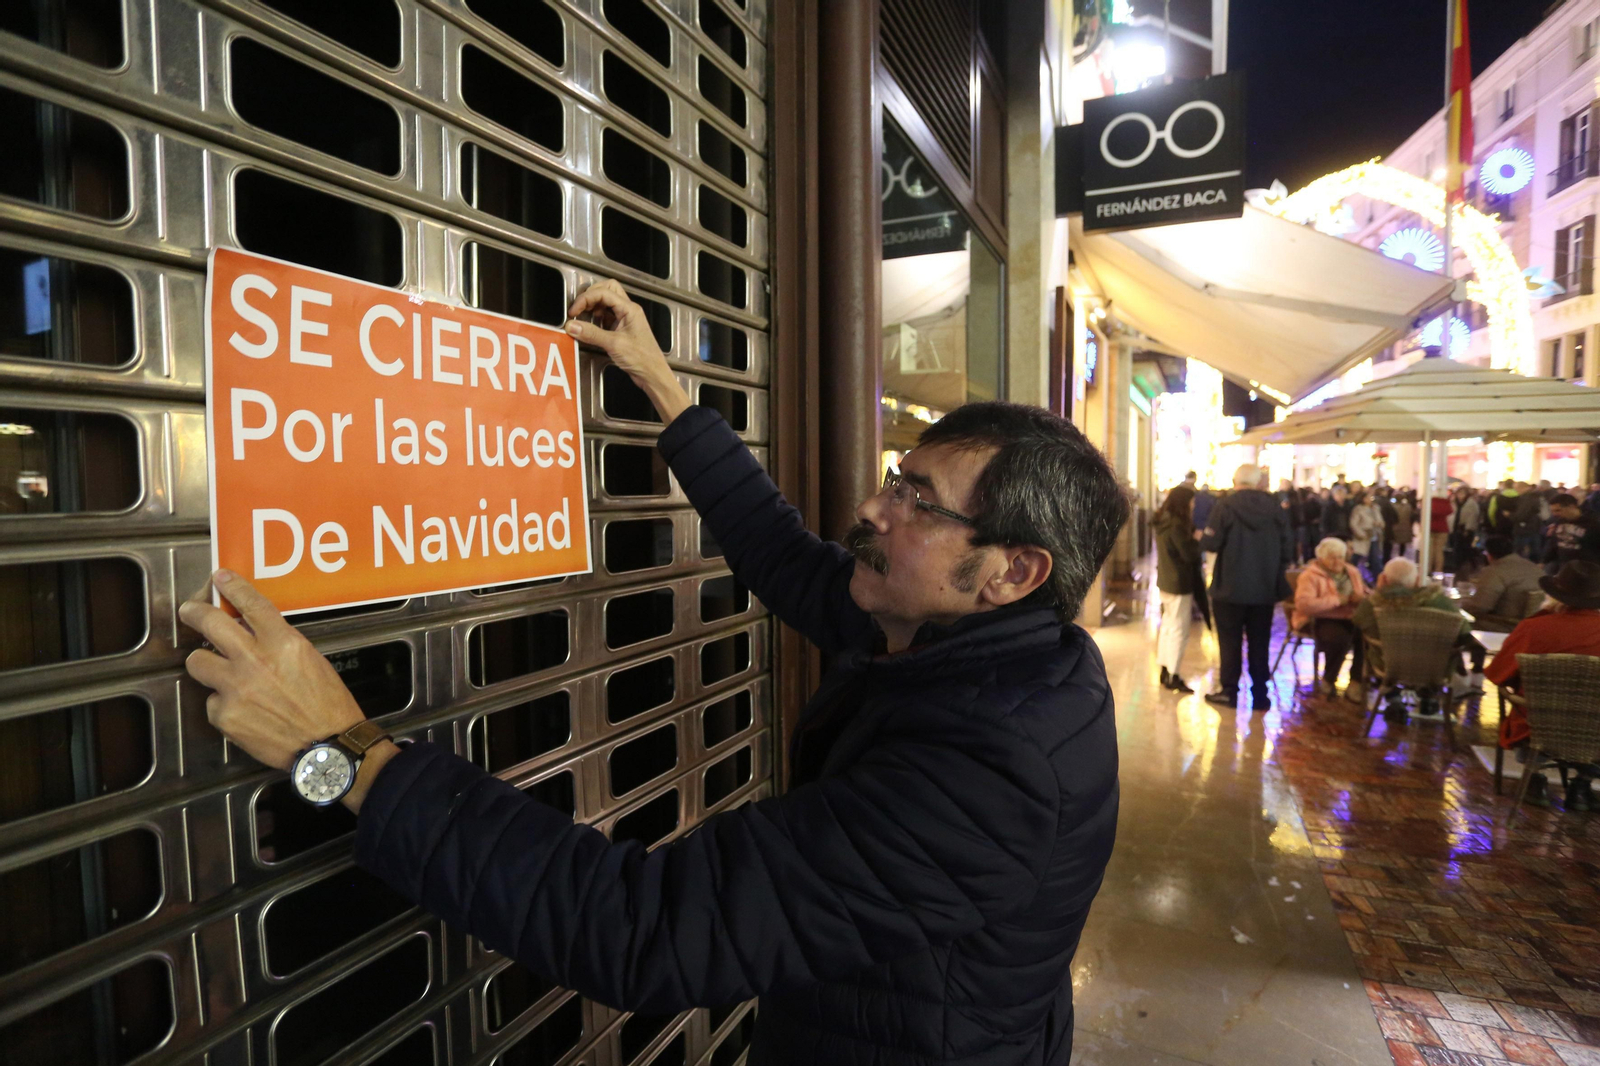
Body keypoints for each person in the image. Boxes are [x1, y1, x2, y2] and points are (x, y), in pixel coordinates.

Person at [178, 278, 1131, 1066]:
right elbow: (792, 560)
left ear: (1012, 571)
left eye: (917, 499)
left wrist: (338, 752)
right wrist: (665, 393)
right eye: (896, 475)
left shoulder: (990, 773)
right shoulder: (980, 640)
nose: (876, 508)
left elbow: (645, 929)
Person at [1484, 560, 1600, 810]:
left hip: (1537, 729)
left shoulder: (1533, 629)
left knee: (1525, 712)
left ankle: (1535, 778)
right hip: (1597, 734)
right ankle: (1582, 785)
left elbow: (1497, 674)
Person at [1200, 464, 1293, 712]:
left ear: (1234, 480)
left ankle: (1229, 692)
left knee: (1229, 641)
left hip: (1229, 588)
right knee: (1259, 641)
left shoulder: (1226, 506)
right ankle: (1260, 694)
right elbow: (1287, 548)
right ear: (1259, 482)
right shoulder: (1275, 507)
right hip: (1264, 589)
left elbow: (1211, 542)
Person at [1353, 557, 1475, 719]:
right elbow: (1464, 633)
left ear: (1383, 578)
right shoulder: (1441, 602)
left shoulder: (1373, 604)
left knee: (1379, 649)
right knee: (1439, 651)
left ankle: (1393, 697)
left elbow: (1359, 623)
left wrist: (1378, 590)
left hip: (1388, 667)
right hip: (1434, 670)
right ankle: (1429, 697)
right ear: (1418, 580)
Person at [1293, 537, 1369, 702]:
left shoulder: (1352, 571)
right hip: (1318, 619)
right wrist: (1338, 600)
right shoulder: (1310, 576)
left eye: (1340, 557)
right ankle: (1328, 679)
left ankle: (1356, 681)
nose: (1338, 562)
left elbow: (1362, 591)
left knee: (1366, 636)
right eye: (1332, 557)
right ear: (1321, 559)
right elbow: (1304, 605)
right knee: (1340, 638)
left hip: (1350, 617)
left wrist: (1362, 597)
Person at [1154, 484, 1206, 693]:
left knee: (1168, 627)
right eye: (1192, 501)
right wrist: (1196, 540)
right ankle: (1173, 675)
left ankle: (1165, 669)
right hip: (1179, 583)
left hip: (1166, 580)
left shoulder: (1163, 520)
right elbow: (1188, 555)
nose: (1194, 505)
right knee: (1179, 630)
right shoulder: (1176, 525)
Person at [1459, 535, 1546, 631]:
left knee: (1457, 622)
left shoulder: (1496, 570)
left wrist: (1461, 603)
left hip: (1503, 625)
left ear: (1489, 554)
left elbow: (1481, 606)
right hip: (1535, 625)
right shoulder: (1533, 567)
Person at [1541, 492, 1600, 570]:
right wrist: (1544, 561)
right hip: (1562, 565)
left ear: (1572, 507)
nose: (1554, 514)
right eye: (1552, 511)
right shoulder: (1560, 521)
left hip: (1585, 569)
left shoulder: (1593, 524)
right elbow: (1554, 542)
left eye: (1558, 510)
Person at [1347, 491, 1382, 579]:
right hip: (1363, 537)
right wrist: (1361, 534)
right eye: (1368, 497)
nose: (1370, 500)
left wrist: (1378, 524)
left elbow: (1381, 520)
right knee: (1357, 556)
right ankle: (1351, 575)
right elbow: (1354, 523)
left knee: (1375, 560)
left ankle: (1376, 579)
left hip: (1374, 536)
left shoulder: (1375, 508)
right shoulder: (1358, 509)